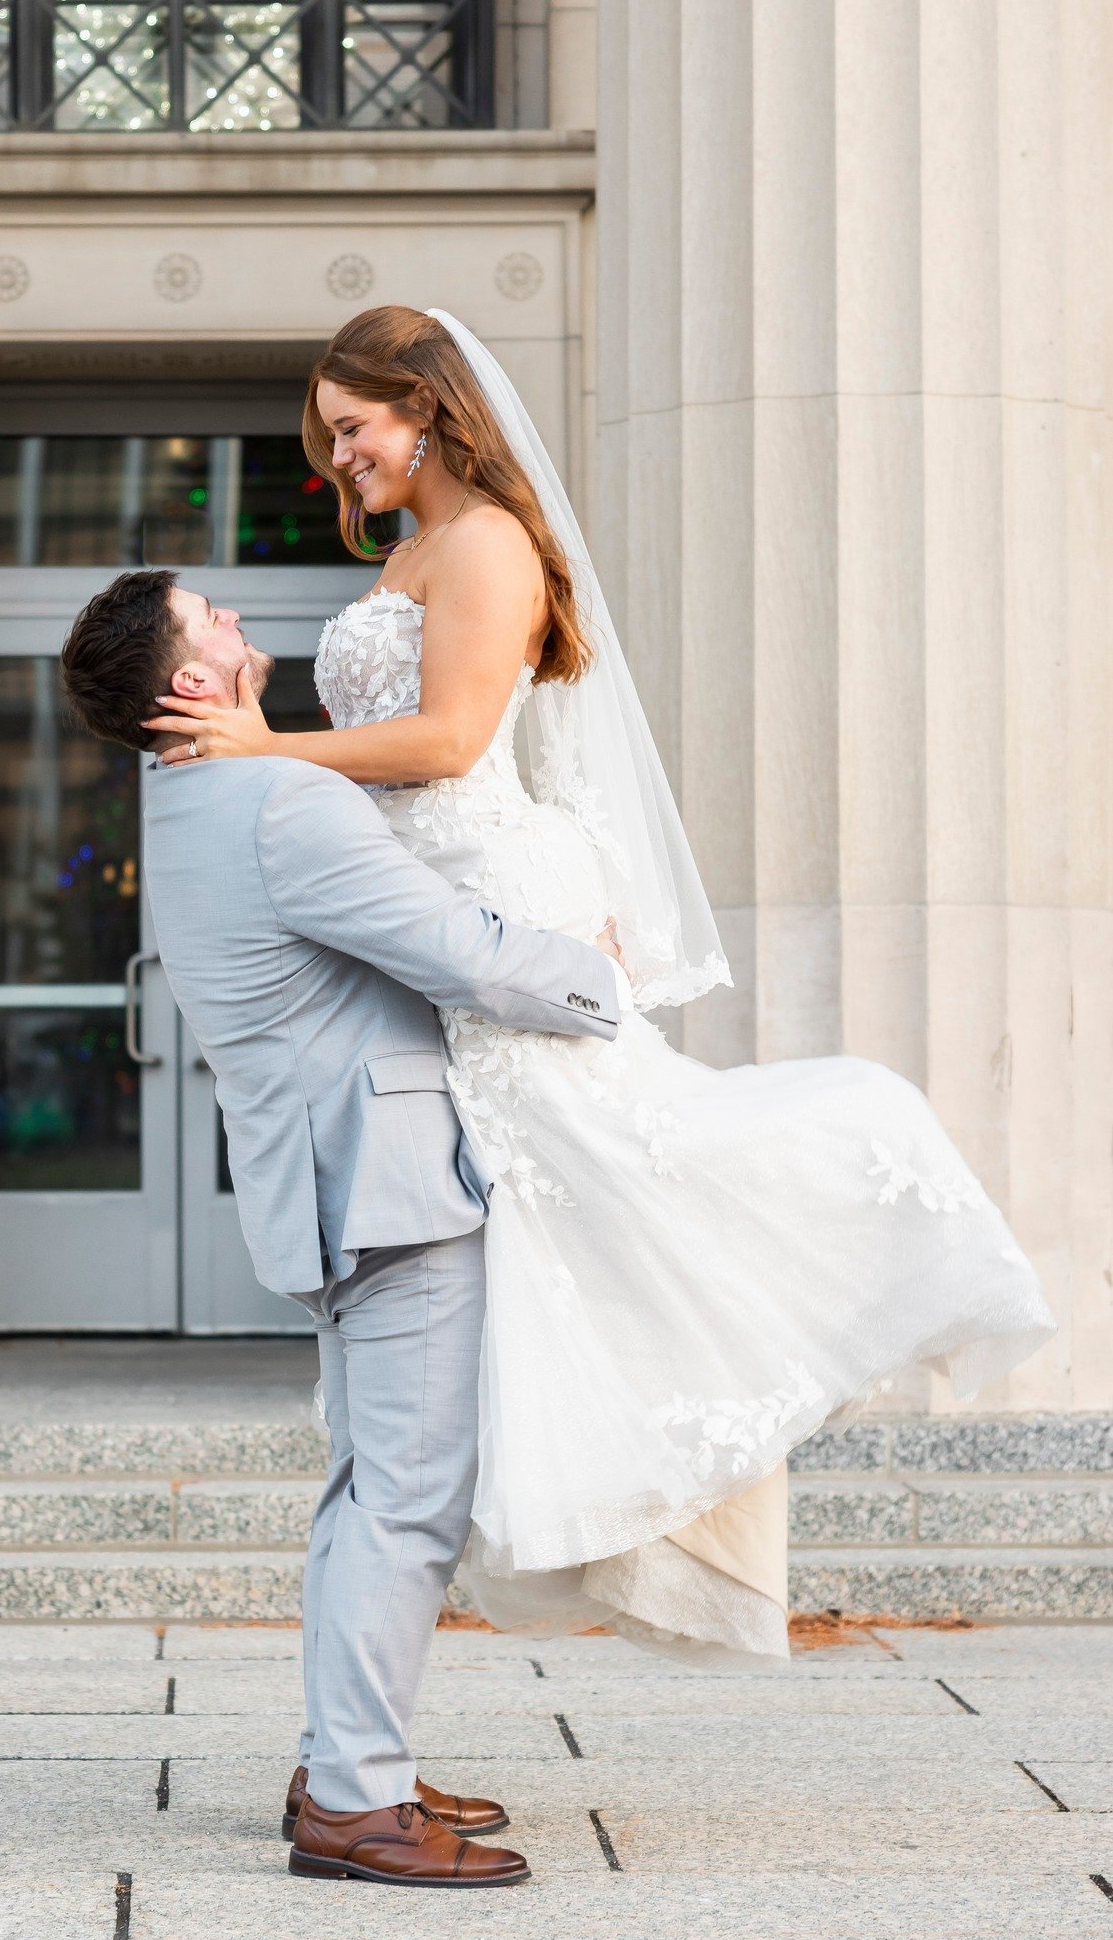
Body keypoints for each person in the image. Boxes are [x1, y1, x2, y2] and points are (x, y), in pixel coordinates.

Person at [143, 305, 1058, 1666]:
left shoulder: (494, 544)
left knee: (609, 1160)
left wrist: (268, 748)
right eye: (330, 438)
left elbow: (452, 740)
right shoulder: (409, 553)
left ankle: (840, 1204)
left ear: (430, 409)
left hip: (495, 884)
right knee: (535, 1201)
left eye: (354, 428)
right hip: (433, 891)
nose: (338, 460)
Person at [61, 570, 623, 1886]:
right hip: (388, 1179)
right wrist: (602, 975)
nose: (241, 625)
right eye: (214, 621)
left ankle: (342, 1762)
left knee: (368, 1488)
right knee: (407, 1496)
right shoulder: (277, 797)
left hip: (327, 1177)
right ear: (190, 684)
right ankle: (356, 1808)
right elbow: (458, 953)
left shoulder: (190, 800)